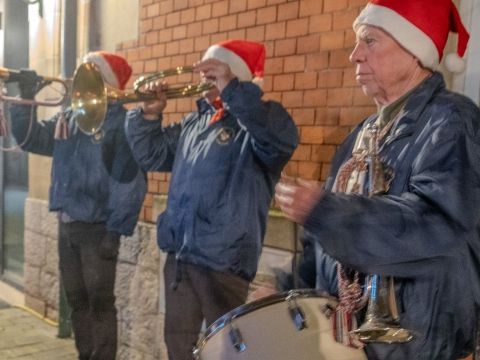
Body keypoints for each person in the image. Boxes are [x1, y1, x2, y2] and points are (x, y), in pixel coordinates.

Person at [275, 0, 480, 359]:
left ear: (415, 52)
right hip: (357, 346)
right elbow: (324, 247)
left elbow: (437, 225)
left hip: (423, 347)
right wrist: (285, 288)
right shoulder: (360, 135)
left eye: (370, 41)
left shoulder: (453, 121)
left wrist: (327, 211)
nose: (355, 55)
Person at [125, 39, 298, 359]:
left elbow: (281, 140)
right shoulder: (196, 122)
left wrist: (233, 90)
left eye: (214, 72)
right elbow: (152, 155)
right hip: (180, 257)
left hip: (224, 260)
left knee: (226, 352)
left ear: (236, 78)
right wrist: (148, 118)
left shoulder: (260, 122)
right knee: (178, 347)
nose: (203, 78)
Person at [9, 51, 147, 360]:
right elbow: (32, 140)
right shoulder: (70, 117)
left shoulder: (121, 125)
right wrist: (26, 96)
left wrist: (115, 232)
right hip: (68, 223)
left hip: (97, 227)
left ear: (109, 84)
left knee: (99, 301)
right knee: (77, 300)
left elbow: (129, 183)